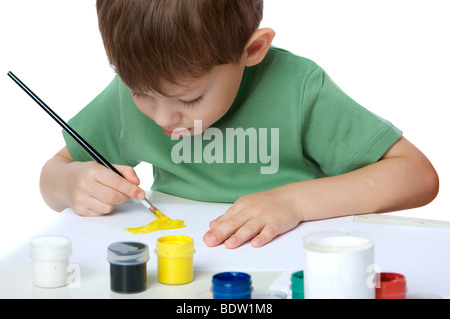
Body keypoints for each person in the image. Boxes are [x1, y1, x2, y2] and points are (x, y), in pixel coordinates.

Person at [40, 0, 439, 249]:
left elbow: (417, 176)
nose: (162, 117)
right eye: (139, 93)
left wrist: (293, 202)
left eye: (189, 99)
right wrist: (72, 183)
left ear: (252, 50)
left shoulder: (296, 87)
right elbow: (54, 174)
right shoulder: (140, 85)